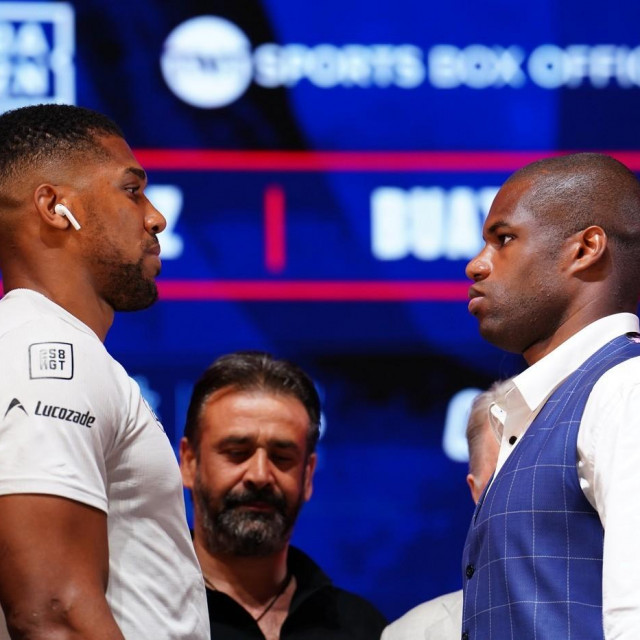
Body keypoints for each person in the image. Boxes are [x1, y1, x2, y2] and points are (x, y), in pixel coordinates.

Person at [0, 104, 209, 639]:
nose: (156, 216)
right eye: (132, 190)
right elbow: (53, 613)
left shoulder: (47, 347)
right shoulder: (47, 354)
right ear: (54, 207)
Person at [462, 152, 640, 639]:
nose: (475, 265)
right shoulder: (558, 405)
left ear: (585, 249)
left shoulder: (626, 390)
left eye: (503, 240)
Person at [179, 350, 388, 640]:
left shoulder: (363, 628)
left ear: (308, 475)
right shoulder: (134, 610)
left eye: (282, 457)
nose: (260, 475)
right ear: (189, 463)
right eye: (237, 453)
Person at [381, 379, 507, 640]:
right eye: (503, 480)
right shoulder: (407, 635)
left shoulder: (609, 617)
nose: (524, 496)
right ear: (475, 492)